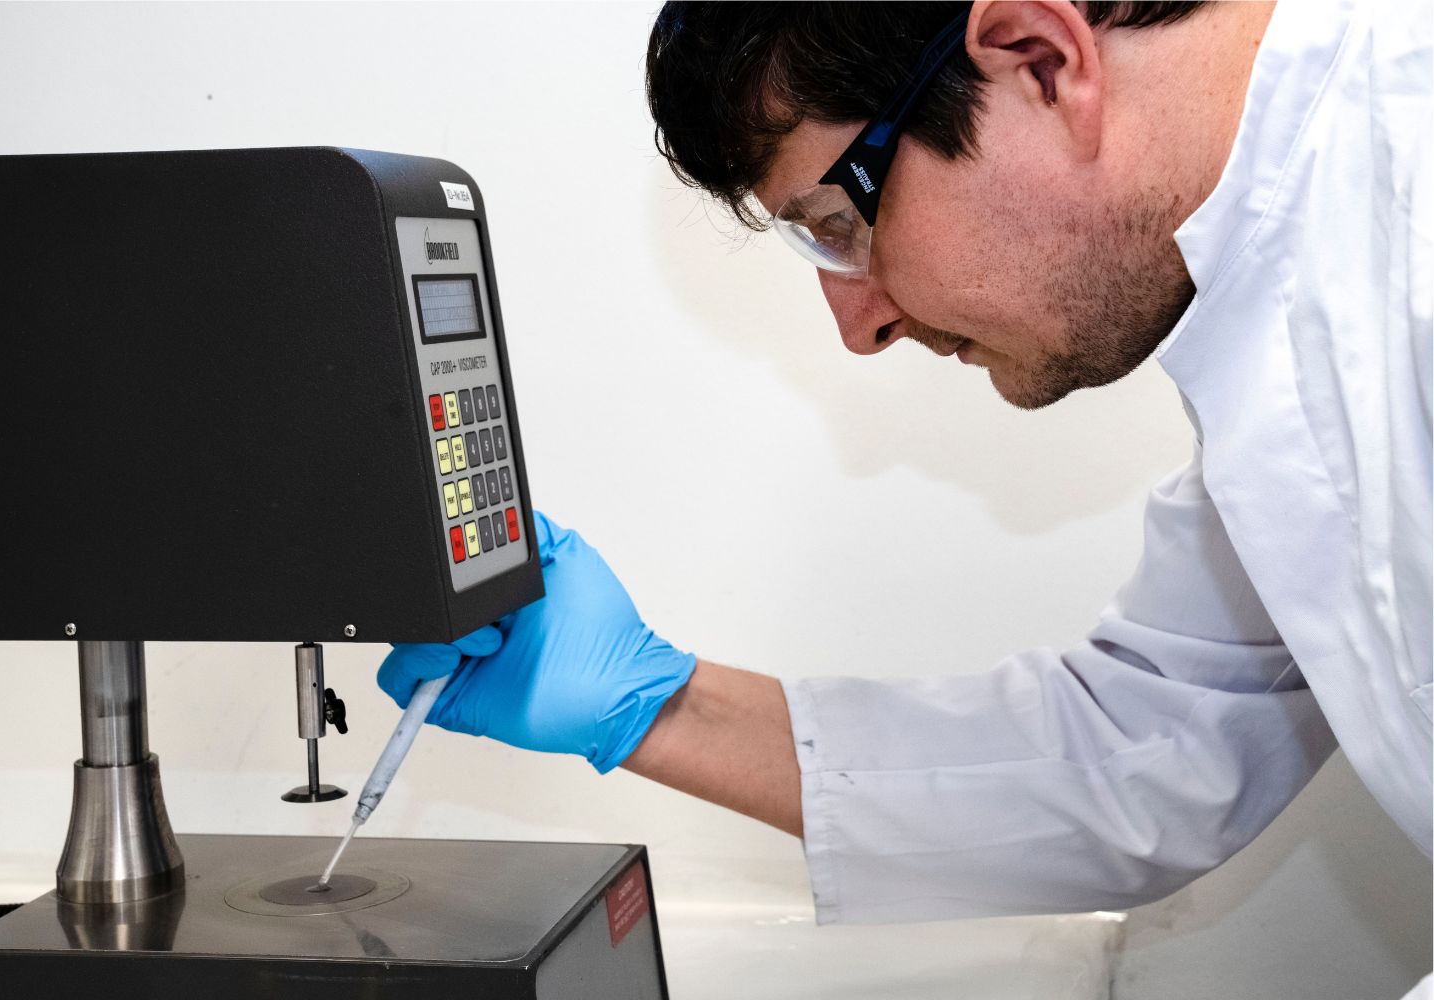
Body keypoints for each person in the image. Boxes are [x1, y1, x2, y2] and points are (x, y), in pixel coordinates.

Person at [378, 1, 1431, 994]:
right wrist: (656, 703)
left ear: (1038, 57)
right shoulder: (1273, 280)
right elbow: (1153, 747)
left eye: (836, 223)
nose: (860, 324)